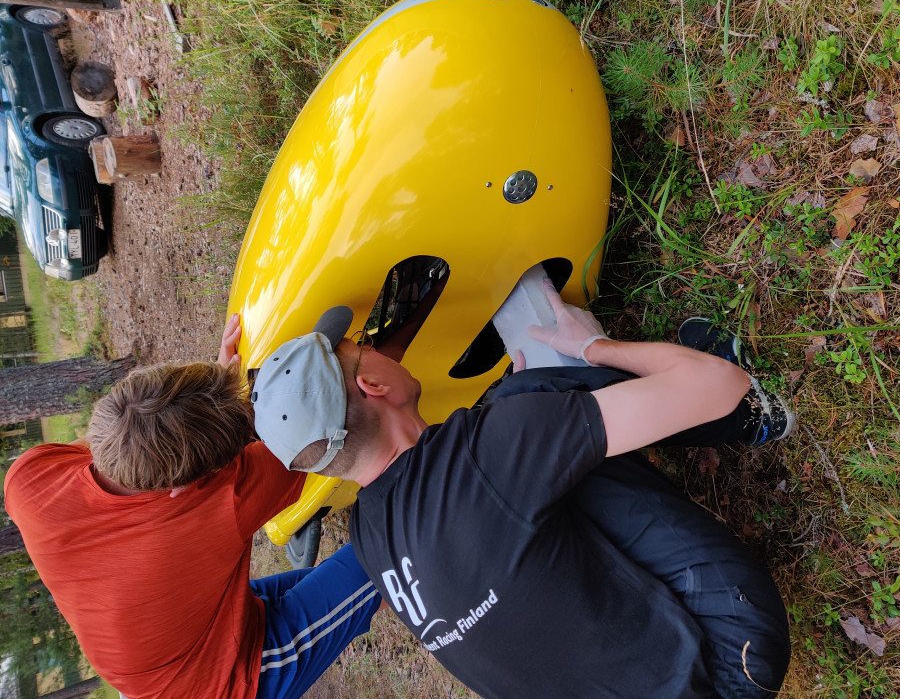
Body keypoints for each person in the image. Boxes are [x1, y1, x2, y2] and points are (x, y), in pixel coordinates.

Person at [251, 284, 793, 698]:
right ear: (373, 385)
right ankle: (756, 419)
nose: (372, 345)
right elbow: (717, 385)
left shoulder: (368, 533)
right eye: (361, 347)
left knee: (536, 427)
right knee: (543, 394)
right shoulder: (488, 453)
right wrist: (596, 347)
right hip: (727, 661)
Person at [3, 315, 381, 699]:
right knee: (385, 556)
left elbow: (126, 437)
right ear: (182, 488)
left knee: (336, 586)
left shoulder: (28, 480)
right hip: (212, 683)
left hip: (169, 637)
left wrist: (206, 401)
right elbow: (318, 423)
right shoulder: (215, 506)